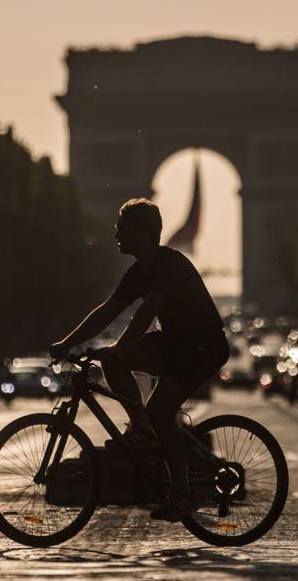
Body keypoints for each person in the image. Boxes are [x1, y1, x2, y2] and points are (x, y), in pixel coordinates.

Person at [50, 198, 230, 522]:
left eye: (122, 230)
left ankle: (182, 491)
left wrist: (119, 345)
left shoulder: (168, 264)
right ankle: (143, 429)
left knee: (160, 409)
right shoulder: (138, 271)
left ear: (143, 233)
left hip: (203, 345)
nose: (116, 235)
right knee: (112, 364)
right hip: (175, 342)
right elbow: (107, 311)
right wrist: (67, 342)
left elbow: (147, 312)